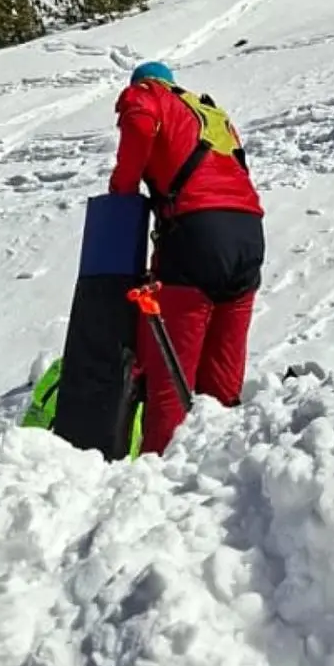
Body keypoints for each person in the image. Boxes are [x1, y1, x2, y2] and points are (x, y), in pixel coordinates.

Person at [106, 60, 265, 455]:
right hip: (248, 235)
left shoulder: (147, 94)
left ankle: (157, 474)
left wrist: (121, 192)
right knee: (222, 378)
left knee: (168, 375)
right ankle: (222, 463)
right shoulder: (210, 113)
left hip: (196, 235)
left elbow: (140, 125)